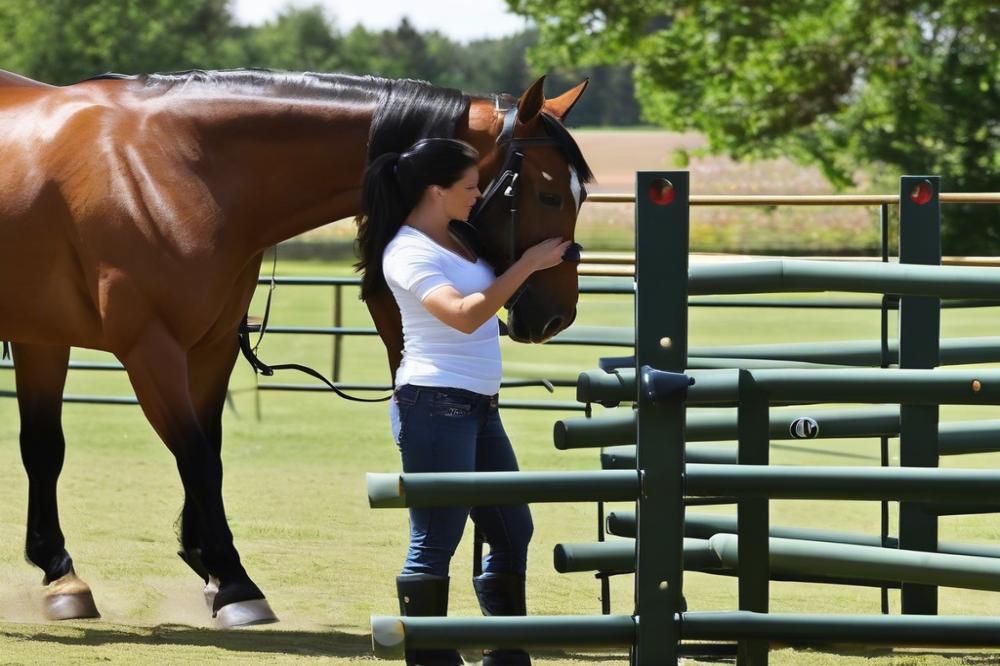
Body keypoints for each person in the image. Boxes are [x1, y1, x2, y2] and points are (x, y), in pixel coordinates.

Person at [355, 137, 571, 666]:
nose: (479, 194)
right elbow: (464, 314)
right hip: (433, 404)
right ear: (436, 190)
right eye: (470, 186)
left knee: (512, 527)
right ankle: (430, 656)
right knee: (436, 538)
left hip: (478, 406)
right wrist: (527, 266)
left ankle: (507, 650)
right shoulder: (407, 251)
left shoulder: (458, 238)